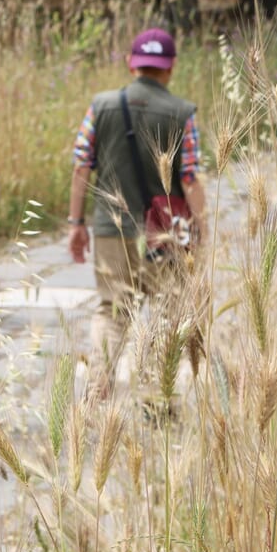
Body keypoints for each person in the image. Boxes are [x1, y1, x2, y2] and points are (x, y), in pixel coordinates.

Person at [66, 28, 207, 402]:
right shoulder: (183, 112)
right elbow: (190, 178)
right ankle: (155, 397)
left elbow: (82, 166)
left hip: (112, 231)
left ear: (131, 64)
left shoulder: (100, 105)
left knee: (112, 312)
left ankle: (99, 384)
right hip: (167, 233)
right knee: (166, 315)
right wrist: (203, 229)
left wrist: (76, 223)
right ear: (171, 67)